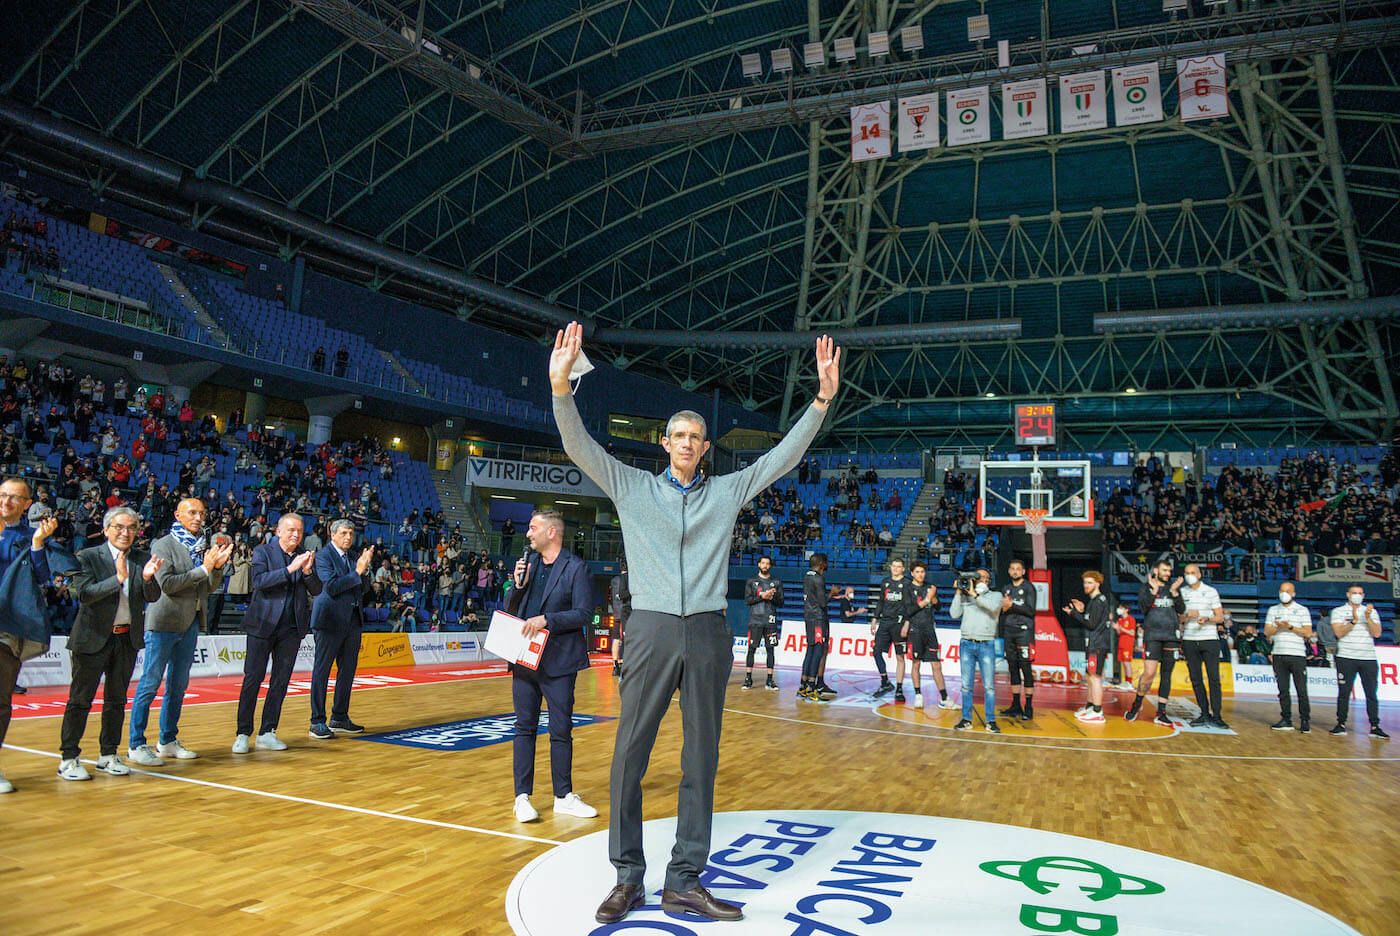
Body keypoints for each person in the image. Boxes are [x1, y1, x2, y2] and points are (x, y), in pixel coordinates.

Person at [548, 321, 839, 925]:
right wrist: (559, 390)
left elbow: (783, 459)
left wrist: (820, 401)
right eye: (678, 435)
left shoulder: (726, 492)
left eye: (695, 437)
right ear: (665, 443)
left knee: (700, 758)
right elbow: (580, 448)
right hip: (651, 629)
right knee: (630, 754)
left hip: (707, 631)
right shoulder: (631, 487)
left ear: (705, 449)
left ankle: (684, 879)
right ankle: (628, 877)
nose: (686, 442)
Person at [58, 507, 162, 781]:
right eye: (119, 527)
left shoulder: (142, 558)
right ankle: (69, 758)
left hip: (126, 639)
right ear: (106, 530)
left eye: (131, 528)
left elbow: (152, 596)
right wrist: (117, 579)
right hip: (91, 639)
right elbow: (84, 594)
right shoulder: (88, 556)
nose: (125, 533)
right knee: (80, 700)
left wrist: (148, 578)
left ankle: (108, 755)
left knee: (116, 701)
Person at [506, 510, 597, 823]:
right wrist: (517, 585)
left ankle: (563, 796)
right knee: (524, 728)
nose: (528, 533)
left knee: (561, 730)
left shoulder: (576, 568)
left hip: (559, 661)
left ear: (552, 532)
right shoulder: (528, 565)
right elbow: (511, 608)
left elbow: (583, 614)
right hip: (525, 659)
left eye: (533, 528)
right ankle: (521, 798)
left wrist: (548, 620)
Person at [127, 499, 232, 766]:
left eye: (202, 514)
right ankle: (136, 744)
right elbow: (168, 584)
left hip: (190, 623)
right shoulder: (163, 545)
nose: (198, 518)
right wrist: (204, 568)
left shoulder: (201, 547)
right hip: (163, 622)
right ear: (177, 515)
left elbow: (207, 587)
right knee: (150, 684)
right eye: (192, 513)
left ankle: (168, 740)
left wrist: (217, 568)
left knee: (178, 686)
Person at [234, 514, 322, 754]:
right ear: (279, 531)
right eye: (291, 529)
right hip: (262, 625)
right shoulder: (263, 552)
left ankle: (268, 732)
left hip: (291, 629)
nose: (296, 534)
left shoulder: (305, 555)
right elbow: (259, 582)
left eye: (300, 531)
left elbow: (317, 589)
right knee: (253, 679)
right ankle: (243, 733)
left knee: (280, 681)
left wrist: (307, 572)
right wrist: (290, 569)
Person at [0, 477, 59, 793]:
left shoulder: (30, 537)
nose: (6, 501)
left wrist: (37, 543)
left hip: (8, 627)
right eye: (3, 495)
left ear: (26, 505)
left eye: (14, 498)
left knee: (0, 699)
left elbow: (42, 577)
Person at [308, 519, 374, 739]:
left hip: (352, 620)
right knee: (322, 671)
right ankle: (317, 721)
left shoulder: (354, 557)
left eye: (351, 534)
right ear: (333, 534)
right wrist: (357, 572)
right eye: (344, 533)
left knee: (347, 672)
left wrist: (365, 571)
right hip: (329, 621)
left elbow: (364, 589)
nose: (348, 537)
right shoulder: (323, 556)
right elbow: (331, 587)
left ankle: (339, 717)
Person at [1126, 560, 1185, 727]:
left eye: (1169, 571)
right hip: (1152, 636)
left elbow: (1181, 609)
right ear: (1156, 571)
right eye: (1165, 570)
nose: (1168, 573)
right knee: (1149, 673)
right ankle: (1137, 704)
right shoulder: (1146, 587)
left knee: (1166, 675)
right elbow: (1143, 608)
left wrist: (1175, 593)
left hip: (1171, 637)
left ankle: (1161, 712)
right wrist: (1154, 591)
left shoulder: (1173, 588)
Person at [1329, 586, 1388, 738]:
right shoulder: (1338, 611)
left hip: (1368, 658)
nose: (1357, 595)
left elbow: (1377, 633)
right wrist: (1354, 621)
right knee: (1344, 692)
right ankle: (1341, 724)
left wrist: (1368, 618)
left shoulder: (1371, 612)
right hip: (1346, 657)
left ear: (1363, 595)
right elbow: (1339, 633)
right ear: (1348, 594)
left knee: (1371, 693)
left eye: (1360, 593)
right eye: (1354, 593)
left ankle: (1375, 726)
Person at [950, 568, 1002, 732]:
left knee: (989, 686)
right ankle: (966, 719)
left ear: (989, 580)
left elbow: (992, 608)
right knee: (966, 685)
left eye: (982, 577)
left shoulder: (996, 596)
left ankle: (990, 720)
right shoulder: (966, 595)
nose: (979, 580)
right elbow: (954, 614)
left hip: (986, 643)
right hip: (967, 643)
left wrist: (974, 594)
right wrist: (959, 592)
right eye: (977, 577)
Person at [1180, 563, 1228, 729]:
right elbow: (1178, 618)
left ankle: (1217, 715)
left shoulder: (1210, 591)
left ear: (1199, 574)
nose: (1189, 575)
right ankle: (1204, 713)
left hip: (1209, 639)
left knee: (1214, 678)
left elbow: (1220, 617)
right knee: (1196, 679)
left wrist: (1207, 618)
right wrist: (1187, 615)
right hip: (1189, 639)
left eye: (1192, 572)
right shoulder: (1182, 592)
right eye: (1187, 572)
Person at [1063, 570, 1113, 723]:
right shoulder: (1095, 601)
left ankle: (1097, 711)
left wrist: (1074, 613)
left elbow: (1091, 624)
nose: (1086, 585)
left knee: (1095, 677)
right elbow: (1092, 620)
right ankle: (1090, 706)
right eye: (1085, 582)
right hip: (1094, 642)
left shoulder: (1098, 601)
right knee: (1089, 675)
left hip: (1097, 643)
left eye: (1090, 582)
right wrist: (1082, 611)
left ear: (1098, 584)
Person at [1264, 581, 1312, 732]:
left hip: (1297, 654)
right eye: (1282, 591)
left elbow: (1308, 632)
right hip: (1279, 654)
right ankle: (1286, 719)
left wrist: (1290, 627)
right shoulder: (1273, 610)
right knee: (1283, 690)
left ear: (1293, 593)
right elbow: (1267, 631)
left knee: (1301, 690)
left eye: (1287, 591)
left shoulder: (1302, 610)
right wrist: (1278, 627)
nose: (1284, 594)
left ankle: (1305, 720)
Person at [906, 560, 953, 710]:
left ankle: (944, 698)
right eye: (917, 572)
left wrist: (933, 599)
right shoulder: (907, 588)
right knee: (916, 663)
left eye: (922, 572)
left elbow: (939, 607)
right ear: (912, 573)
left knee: (937, 664)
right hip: (915, 630)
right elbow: (909, 611)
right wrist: (927, 600)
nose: (920, 574)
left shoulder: (930, 587)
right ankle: (918, 695)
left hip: (930, 630)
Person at [998, 558, 1037, 720]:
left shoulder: (1029, 588)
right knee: (1012, 667)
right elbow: (1002, 609)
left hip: (1024, 633)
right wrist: (1003, 608)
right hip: (1009, 632)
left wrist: (1011, 606)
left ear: (1023, 571)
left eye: (1018, 569)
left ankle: (1028, 706)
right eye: (1012, 568)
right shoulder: (1006, 588)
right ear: (1009, 571)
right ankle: (1015, 705)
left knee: (1025, 668)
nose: (1015, 571)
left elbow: (1031, 610)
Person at [799, 553, 841, 701]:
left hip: (809, 616)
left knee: (810, 651)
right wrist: (832, 594)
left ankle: (803, 686)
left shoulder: (807, 575)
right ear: (822, 563)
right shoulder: (818, 578)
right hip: (818, 618)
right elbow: (822, 602)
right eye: (826, 562)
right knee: (818, 651)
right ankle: (812, 687)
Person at [869, 557, 912, 700]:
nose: (895, 568)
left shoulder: (907, 583)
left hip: (899, 623)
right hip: (885, 623)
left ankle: (899, 688)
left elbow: (910, 606)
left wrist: (907, 623)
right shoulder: (885, 582)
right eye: (893, 566)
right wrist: (875, 618)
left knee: (900, 656)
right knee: (876, 652)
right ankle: (885, 681)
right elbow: (881, 602)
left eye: (898, 566)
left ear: (903, 569)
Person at [741, 555, 781, 691]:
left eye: (767, 563)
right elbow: (748, 600)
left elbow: (781, 602)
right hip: (755, 620)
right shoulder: (751, 581)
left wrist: (771, 597)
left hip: (770, 620)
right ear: (759, 564)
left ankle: (770, 680)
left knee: (770, 649)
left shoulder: (776, 582)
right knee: (751, 649)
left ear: (770, 566)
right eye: (763, 563)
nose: (765, 565)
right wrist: (761, 596)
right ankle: (748, 678)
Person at [609, 564, 629, 678]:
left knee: (616, 639)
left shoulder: (614, 580)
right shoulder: (627, 579)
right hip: (625, 613)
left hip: (616, 612)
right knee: (625, 639)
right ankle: (623, 666)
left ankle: (615, 666)